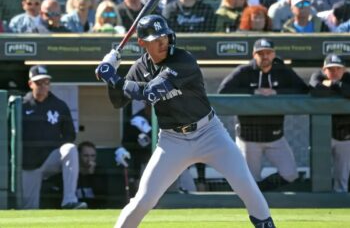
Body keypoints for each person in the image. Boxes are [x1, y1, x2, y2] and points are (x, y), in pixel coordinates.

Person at [95, 14, 276, 228]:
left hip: (210, 133)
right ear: (142, 43)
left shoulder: (183, 60)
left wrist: (114, 78)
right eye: (156, 40)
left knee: (246, 186)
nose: (163, 43)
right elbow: (118, 101)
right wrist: (112, 73)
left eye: (165, 37)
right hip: (172, 141)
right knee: (143, 200)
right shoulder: (140, 68)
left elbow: (151, 93)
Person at [218, 38, 308, 191]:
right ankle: (256, 199)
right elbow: (223, 91)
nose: (265, 56)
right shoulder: (244, 71)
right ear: (254, 55)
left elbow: (303, 90)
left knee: (290, 175)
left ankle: (263, 191)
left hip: (275, 135)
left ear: (274, 54)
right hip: (248, 136)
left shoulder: (283, 71)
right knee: (249, 179)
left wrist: (277, 92)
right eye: (261, 53)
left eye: (268, 53)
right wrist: (252, 92)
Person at [22, 65, 87, 209]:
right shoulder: (21, 105)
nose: (43, 86)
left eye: (46, 82)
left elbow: (70, 134)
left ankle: (69, 200)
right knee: (28, 208)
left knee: (70, 149)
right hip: (28, 164)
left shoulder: (59, 105)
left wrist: (54, 145)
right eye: (39, 83)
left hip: (51, 158)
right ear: (30, 84)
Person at [309, 54, 350, 192]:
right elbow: (316, 90)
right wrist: (340, 89)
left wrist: (334, 84)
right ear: (324, 69)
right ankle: (319, 200)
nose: (335, 72)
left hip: (345, 133)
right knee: (319, 171)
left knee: (342, 174)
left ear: (344, 70)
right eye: (331, 69)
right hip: (322, 134)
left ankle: (339, 201)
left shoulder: (347, 78)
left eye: (338, 69)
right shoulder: (317, 76)